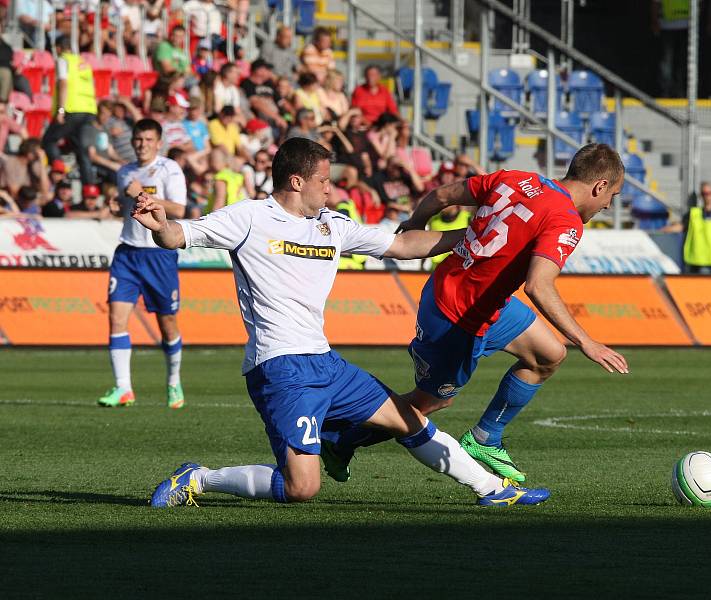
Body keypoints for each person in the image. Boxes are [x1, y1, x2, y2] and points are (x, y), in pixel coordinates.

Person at [137, 137, 550, 508]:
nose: (330, 188)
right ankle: (198, 478)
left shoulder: (332, 224)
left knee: (408, 418)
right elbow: (179, 235)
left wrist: (479, 235)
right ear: (297, 182)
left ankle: (493, 489)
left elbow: (403, 244)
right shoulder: (248, 217)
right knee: (302, 488)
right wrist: (160, 227)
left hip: (326, 363)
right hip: (280, 368)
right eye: (323, 180)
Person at [322, 143, 629, 484]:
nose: (608, 205)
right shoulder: (565, 220)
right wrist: (587, 342)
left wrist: (416, 222)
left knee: (548, 354)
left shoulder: (516, 179)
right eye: (612, 196)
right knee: (428, 404)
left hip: (478, 301)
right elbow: (539, 286)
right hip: (456, 317)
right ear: (599, 186)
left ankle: (485, 438)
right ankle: (339, 439)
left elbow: (442, 195)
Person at [98, 118, 187, 409]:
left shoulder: (169, 169)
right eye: (138, 139)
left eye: (148, 139)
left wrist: (140, 193)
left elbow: (178, 208)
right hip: (128, 252)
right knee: (116, 317)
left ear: (158, 142)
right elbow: (127, 205)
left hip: (158, 254)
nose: (142, 144)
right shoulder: (125, 172)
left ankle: (174, 382)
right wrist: (116, 205)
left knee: (167, 323)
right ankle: (123, 388)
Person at [42, 34, 98, 188]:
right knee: (82, 150)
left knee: (49, 140)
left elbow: (63, 83)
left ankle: (60, 172)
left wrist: (60, 110)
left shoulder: (63, 60)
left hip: (72, 108)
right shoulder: (83, 62)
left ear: (59, 48)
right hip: (89, 110)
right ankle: (89, 189)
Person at [651, 0, 689, 98]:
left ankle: (681, 91)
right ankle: (666, 91)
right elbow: (655, 3)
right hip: (667, 26)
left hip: (686, 26)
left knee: (683, 62)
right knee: (667, 62)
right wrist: (655, 21)